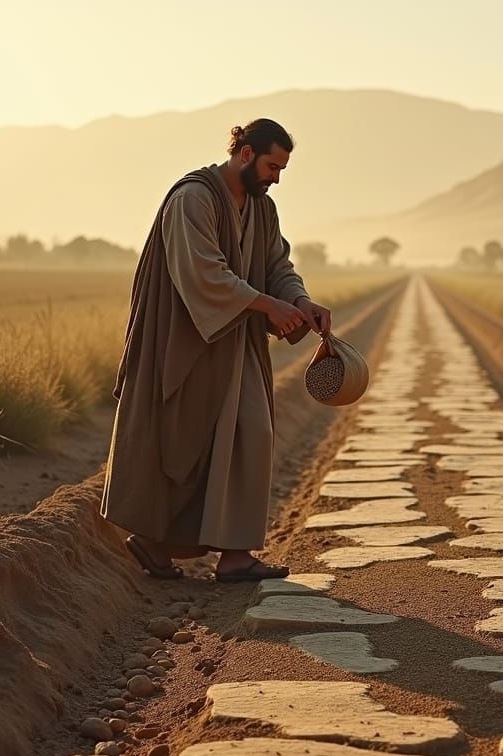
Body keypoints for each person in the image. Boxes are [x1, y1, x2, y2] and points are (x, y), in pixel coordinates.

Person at [100, 118, 332, 581]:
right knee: (183, 444)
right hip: (182, 342)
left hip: (237, 342)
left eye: (282, 170)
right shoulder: (193, 198)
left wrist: (300, 301)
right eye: (272, 167)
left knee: (252, 433)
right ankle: (155, 543)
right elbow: (203, 274)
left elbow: (277, 266)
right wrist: (267, 305)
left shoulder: (263, 208)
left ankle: (234, 555)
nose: (276, 179)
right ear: (245, 154)